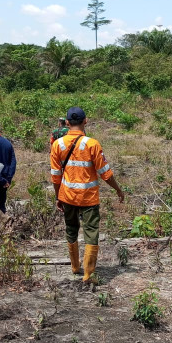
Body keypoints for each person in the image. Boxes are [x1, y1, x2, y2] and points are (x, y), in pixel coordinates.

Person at [50, 107, 124, 282]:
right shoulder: (92, 144)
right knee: (91, 232)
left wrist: (58, 196)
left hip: (67, 195)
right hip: (89, 197)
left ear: (67, 123)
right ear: (85, 121)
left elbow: (55, 176)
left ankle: (75, 267)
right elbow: (105, 173)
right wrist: (118, 189)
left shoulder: (57, 144)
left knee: (71, 229)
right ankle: (88, 274)